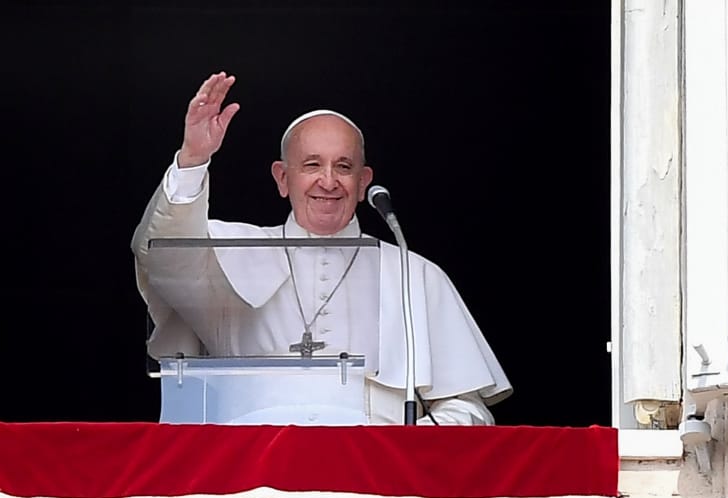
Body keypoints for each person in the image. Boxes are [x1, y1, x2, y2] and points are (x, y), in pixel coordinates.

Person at [132, 72, 512, 426]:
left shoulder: (415, 275)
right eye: (312, 165)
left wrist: (404, 448)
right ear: (283, 178)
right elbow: (160, 257)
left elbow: (468, 409)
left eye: (343, 167)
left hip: (373, 467)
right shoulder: (228, 252)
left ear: (363, 183)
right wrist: (193, 159)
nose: (328, 182)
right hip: (253, 462)